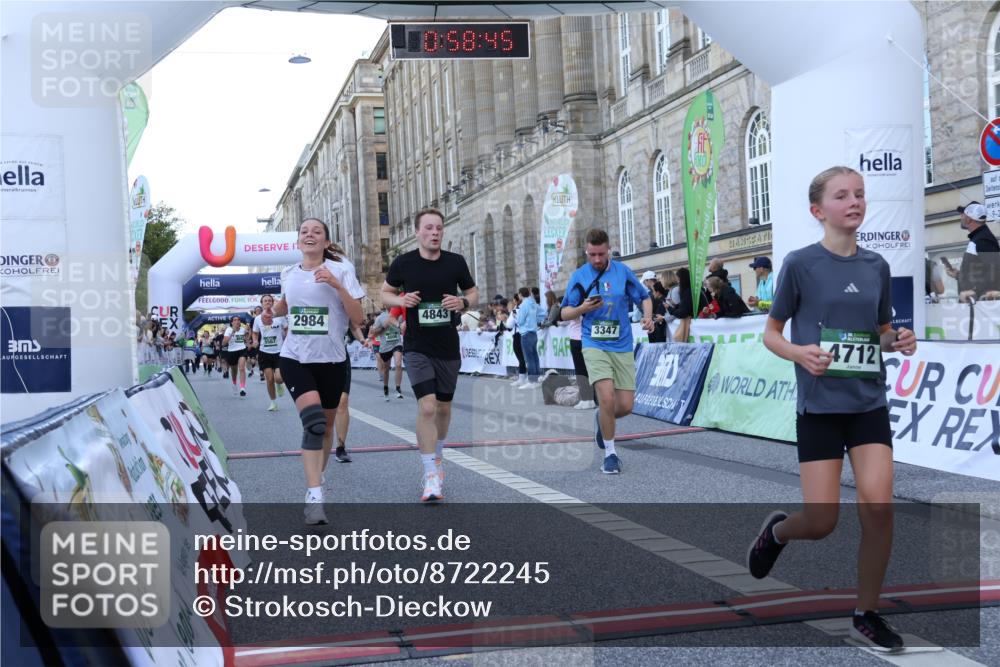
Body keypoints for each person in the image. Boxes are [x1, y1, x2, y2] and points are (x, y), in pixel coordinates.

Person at [746, 166, 917, 652]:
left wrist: (898, 340)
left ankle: (867, 613)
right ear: (818, 210)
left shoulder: (876, 266)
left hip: (867, 403)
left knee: (879, 509)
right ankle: (777, 533)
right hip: (819, 407)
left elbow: (880, 333)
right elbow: (772, 333)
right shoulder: (801, 264)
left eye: (860, 194)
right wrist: (800, 353)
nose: (855, 202)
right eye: (842, 196)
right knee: (822, 523)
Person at [382, 208, 478, 502]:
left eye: (438, 228)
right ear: (417, 232)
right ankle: (430, 475)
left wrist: (462, 302)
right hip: (417, 346)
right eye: (428, 228)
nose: (434, 233)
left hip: (447, 346)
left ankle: (437, 459)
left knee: (444, 409)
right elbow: (385, 292)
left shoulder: (455, 262)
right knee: (427, 407)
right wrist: (400, 299)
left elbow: (473, 293)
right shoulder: (404, 263)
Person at [273, 217, 365, 525]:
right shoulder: (287, 273)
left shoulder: (342, 270)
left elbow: (359, 317)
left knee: (326, 429)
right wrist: (274, 310)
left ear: (325, 242)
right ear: (298, 242)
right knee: (313, 424)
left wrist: (337, 286)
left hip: (332, 360)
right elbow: (287, 305)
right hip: (295, 357)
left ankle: (318, 477)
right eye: (304, 232)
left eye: (317, 232)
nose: (309, 235)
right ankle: (314, 496)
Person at [560, 228, 653, 474]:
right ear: (586, 252)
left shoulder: (622, 272)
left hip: (622, 344)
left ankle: (602, 419)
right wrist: (582, 308)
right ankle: (610, 454)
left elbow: (644, 297)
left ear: (608, 249)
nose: (597, 259)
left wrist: (647, 317)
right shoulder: (579, 276)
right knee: (607, 397)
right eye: (592, 254)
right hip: (594, 344)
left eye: (601, 254)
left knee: (624, 406)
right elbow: (564, 313)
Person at [945, 202, 999, 302]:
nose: (961, 217)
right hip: (974, 305)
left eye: (963, 214)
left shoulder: (983, 239)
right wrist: (958, 275)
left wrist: (975, 290)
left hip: (981, 306)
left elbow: (995, 271)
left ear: (969, 219)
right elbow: (980, 274)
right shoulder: (979, 237)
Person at [253, 295, 287, 412]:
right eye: (265, 301)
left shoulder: (280, 316)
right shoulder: (257, 319)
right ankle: (273, 402)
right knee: (270, 379)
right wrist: (255, 340)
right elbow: (255, 333)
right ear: (262, 303)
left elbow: (286, 329)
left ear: (272, 303)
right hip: (264, 352)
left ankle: (279, 384)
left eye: (269, 300)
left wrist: (288, 340)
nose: (267, 302)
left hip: (279, 352)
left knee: (279, 378)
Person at [371, 306, 405, 400]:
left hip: (397, 343)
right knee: (386, 369)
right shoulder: (380, 317)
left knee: (398, 364)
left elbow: (403, 325)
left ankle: (398, 388)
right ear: (386, 305)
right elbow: (373, 333)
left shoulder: (399, 315)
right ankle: (386, 387)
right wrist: (383, 327)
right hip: (385, 346)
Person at [515, 286, 541, 388]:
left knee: (529, 358)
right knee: (534, 356)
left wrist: (516, 317)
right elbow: (542, 313)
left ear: (521, 294)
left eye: (518, 294)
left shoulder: (523, 305)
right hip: (534, 332)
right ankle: (536, 379)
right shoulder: (533, 303)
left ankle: (531, 381)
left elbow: (520, 321)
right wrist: (536, 321)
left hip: (526, 333)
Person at [222, 315, 249, 397]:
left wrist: (248, 333)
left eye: (238, 320)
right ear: (232, 322)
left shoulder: (242, 329)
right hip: (232, 352)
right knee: (234, 371)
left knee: (241, 368)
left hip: (242, 350)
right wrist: (232, 333)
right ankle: (234, 383)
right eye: (235, 320)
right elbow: (224, 343)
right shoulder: (228, 330)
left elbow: (247, 338)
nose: (237, 321)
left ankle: (242, 388)